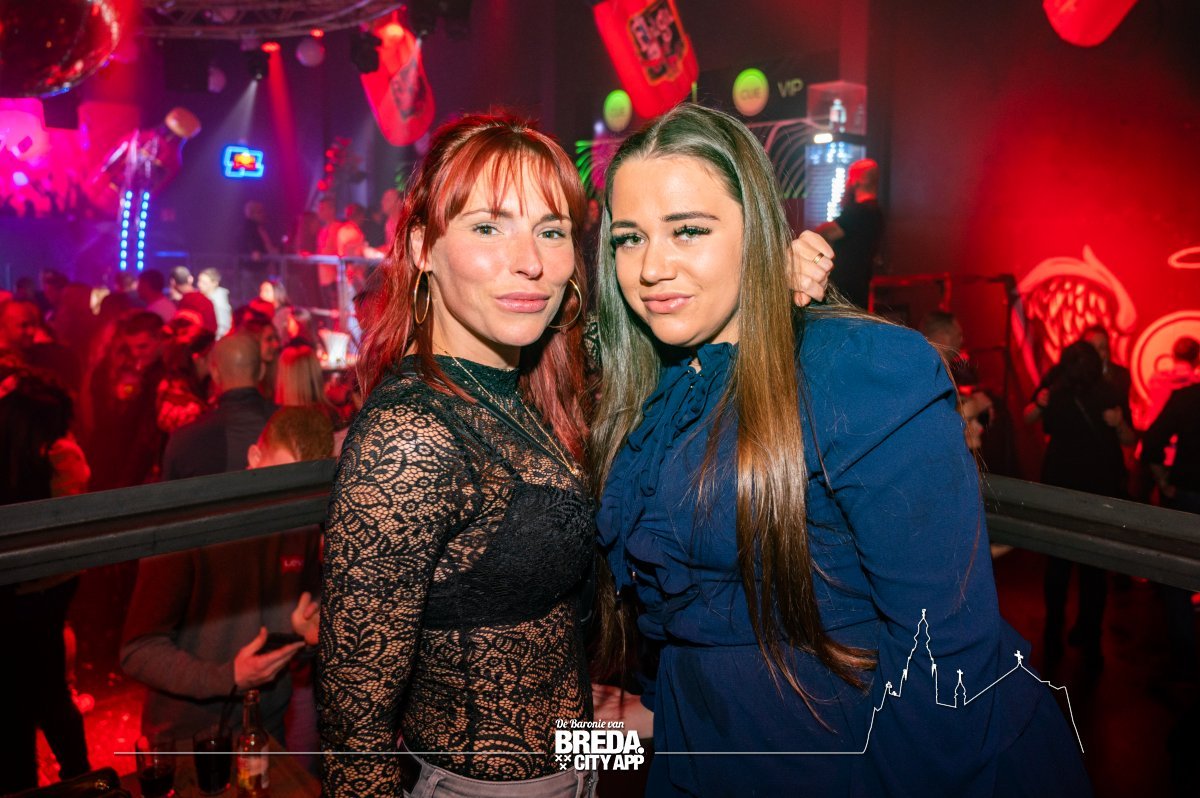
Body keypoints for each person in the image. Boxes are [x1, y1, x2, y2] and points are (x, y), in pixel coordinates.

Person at [316, 112, 831, 798]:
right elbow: (353, 738)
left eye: (552, 231)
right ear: (422, 247)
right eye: (488, 227)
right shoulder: (410, 437)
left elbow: (672, 329)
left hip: (578, 763)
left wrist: (771, 268)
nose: (529, 261)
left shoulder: (526, 384)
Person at [593, 104, 1090, 796]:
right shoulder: (656, 386)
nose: (652, 267)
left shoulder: (859, 368)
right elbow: (701, 626)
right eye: (629, 238)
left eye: (689, 230)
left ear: (760, 232)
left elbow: (945, 661)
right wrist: (635, 722)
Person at [121, 406, 329, 743]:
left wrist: (306, 636)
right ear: (254, 457)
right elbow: (138, 650)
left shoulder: (301, 525)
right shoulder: (191, 527)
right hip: (190, 737)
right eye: (279, 481)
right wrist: (228, 676)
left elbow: (296, 622)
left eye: (301, 489)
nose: (287, 499)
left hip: (266, 725)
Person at [0, 359, 92, 793]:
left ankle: (72, 777)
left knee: (34, 696)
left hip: (36, 591)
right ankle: (73, 776)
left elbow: (64, 528)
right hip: (36, 590)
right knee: (37, 694)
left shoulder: (55, 457)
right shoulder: (39, 454)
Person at [160, 332, 277, 480]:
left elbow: (171, 492)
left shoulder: (184, 441)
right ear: (262, 371)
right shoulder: (288, 424)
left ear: (215, 374)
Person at [814, 157, 884, 308]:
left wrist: (815, 232)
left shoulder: (858, 211)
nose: (848, 181)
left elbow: (829, 232)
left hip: (845, 288)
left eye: (851, 176)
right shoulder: (876, 211)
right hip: (860, 285)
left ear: (860, 179)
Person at [197, 267, 233, 338]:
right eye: (199, 281)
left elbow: (223, 329)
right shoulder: (202, 297)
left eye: (204, 283)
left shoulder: (219, 304)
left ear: (214, 283)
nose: (199, 285)